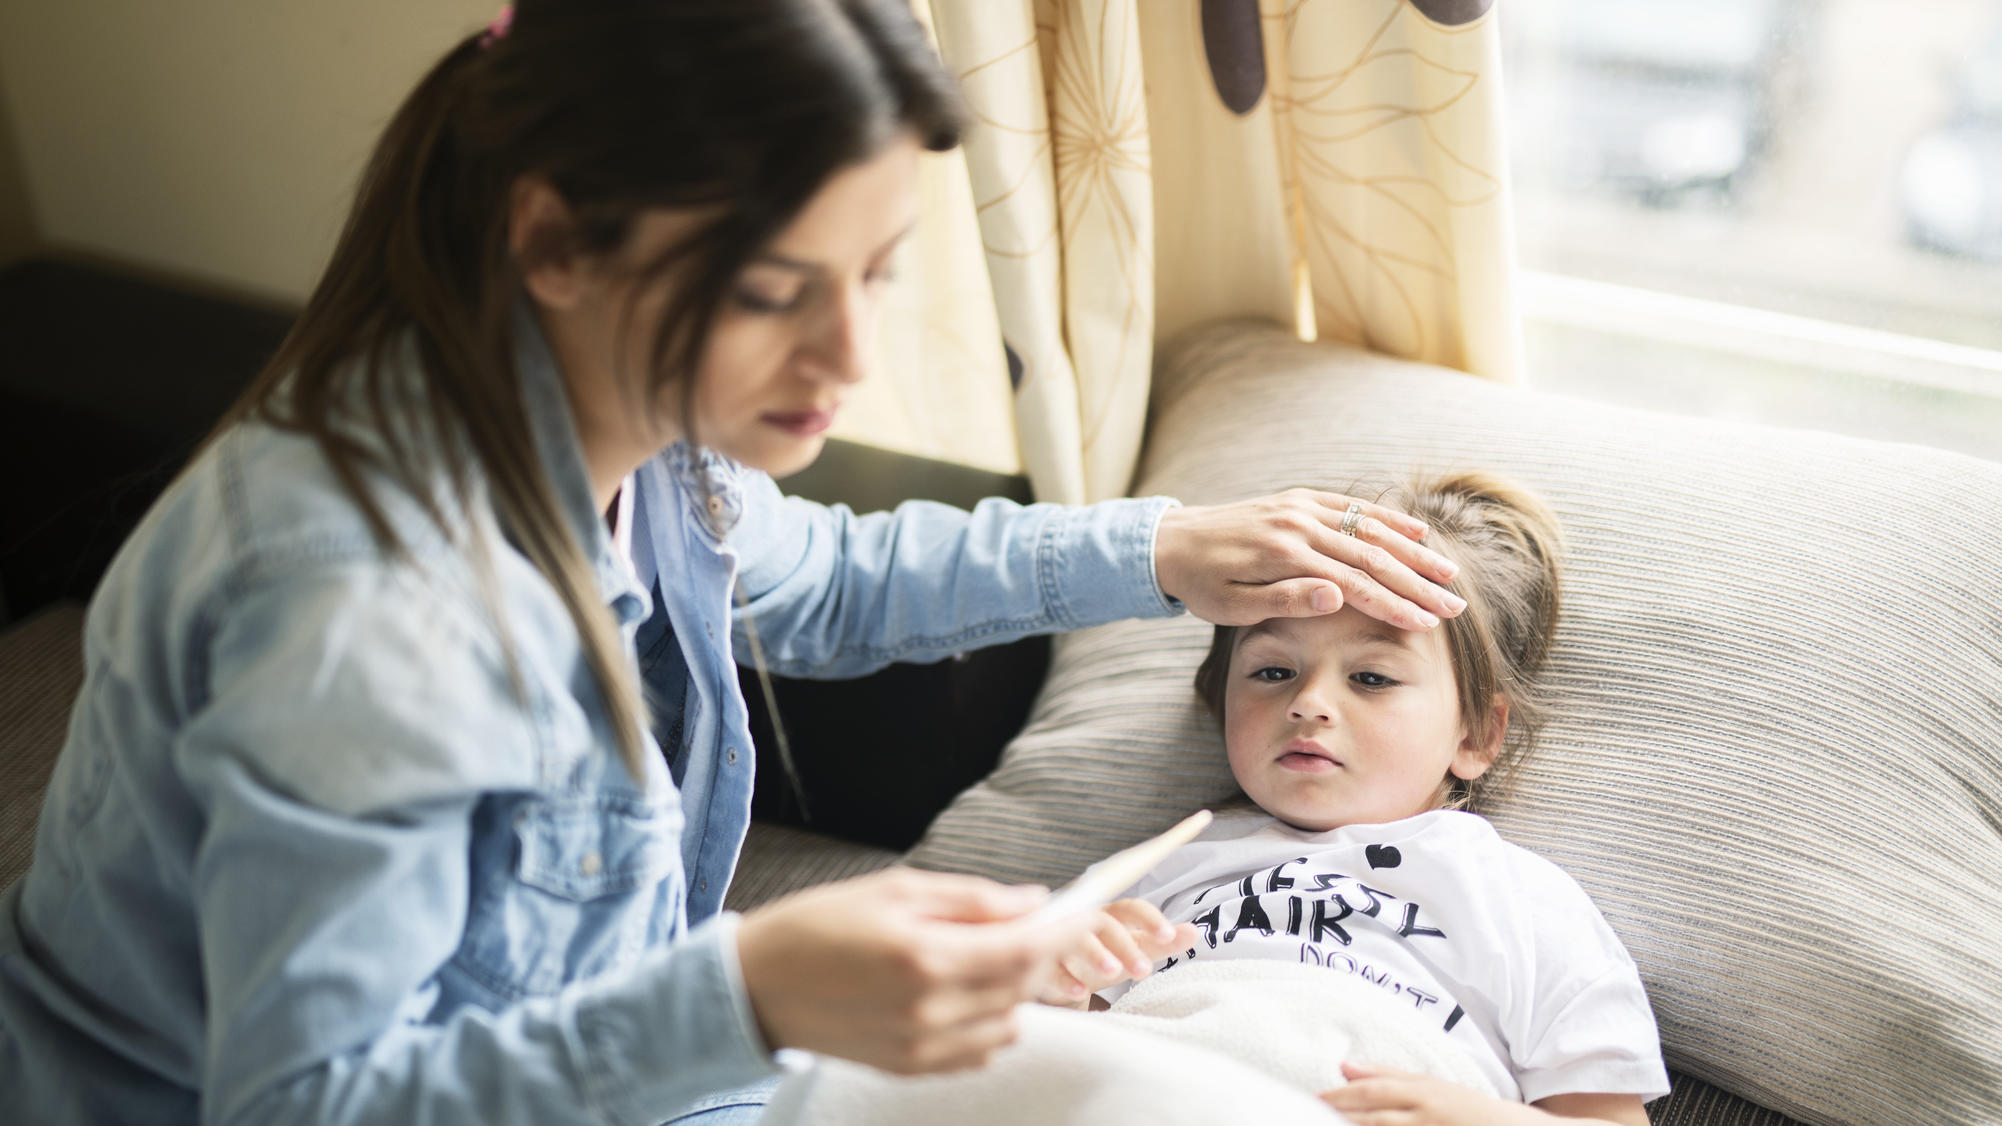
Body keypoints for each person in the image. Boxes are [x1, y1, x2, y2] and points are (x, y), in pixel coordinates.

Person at [0, 3, 1469, 1124]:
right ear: (559, 241)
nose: (847, 359)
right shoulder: (362, 610)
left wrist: (1160, 547)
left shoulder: (631, 422)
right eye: (777, 293)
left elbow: (817, 586)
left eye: (877, 273)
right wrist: (747, 991)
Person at [1044, 473, 1671, 1126]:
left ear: (1479, 733)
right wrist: (1056, 994)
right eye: (1272, 672)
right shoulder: (1157, 869)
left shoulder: (1527, 903)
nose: (1309, 702)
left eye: (1371, 678)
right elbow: (1058, 1054)